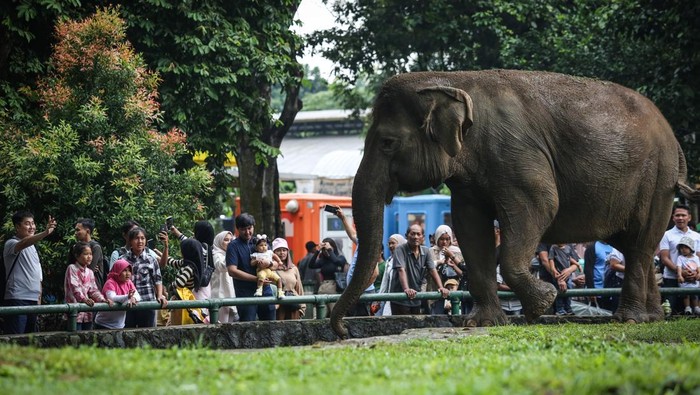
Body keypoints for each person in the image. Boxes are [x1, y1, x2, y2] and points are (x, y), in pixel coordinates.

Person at [2, 211, 56, 334]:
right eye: (27, 224)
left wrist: (39, 298)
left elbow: (38, 276)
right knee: (16, 339)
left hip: (33, 299)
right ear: (17, 227)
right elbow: (24, 242)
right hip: (17, 298)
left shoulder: (33, 247)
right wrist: (46, 232)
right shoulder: (11, 244)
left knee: (31, 339)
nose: (32, 227)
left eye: (33, 223)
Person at [389, 224, 449, 315]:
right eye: (412, 234)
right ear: (406, 236)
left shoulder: (425, 251)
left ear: (423, 237)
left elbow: (432, 270)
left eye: (418, 234)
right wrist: (407, 289)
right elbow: (401, 270)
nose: (415, 237)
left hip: (416, 297)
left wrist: (441, 287)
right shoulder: (400, 250)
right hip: (400, 298)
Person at [226, 213, 275, 321]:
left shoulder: (261, 242)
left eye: (250, 228)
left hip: (265, 290)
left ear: (253, 226)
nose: (247, 232)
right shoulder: (233, 246)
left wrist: (269, 264)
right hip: (245, 292)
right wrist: (256, 279)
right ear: (237, 229)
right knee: (247, 326)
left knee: (271, 324)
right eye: (243, 229)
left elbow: (276, 264)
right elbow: (232, 271)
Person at [334, 206, 378, 317]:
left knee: (362, 320)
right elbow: (352, 235)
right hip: (355, 292)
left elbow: (375, 273)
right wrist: (343, 218)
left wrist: (358, 290)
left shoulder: (370, 246)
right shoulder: (362, 242)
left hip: (363, 293)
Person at [122, 227, 168, 328]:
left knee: (148, 337)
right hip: (129, 304)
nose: (140, 241)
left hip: (148, 303)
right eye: (136, 238)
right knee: (129, 338)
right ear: (130, 241)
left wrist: (160, 295)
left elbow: (157, 279)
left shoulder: (151, 260)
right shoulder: (123, 260)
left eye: (143, 238)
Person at [659, 205, 700, 314]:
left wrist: (696, 273)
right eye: (677, 215)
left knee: (694, 312)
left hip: (693, 279)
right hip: (671, 278)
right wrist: (681, 272)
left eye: (683, 215)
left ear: (689, 217)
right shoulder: (666, 235)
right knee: (672, 311)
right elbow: (664, 258)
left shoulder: (697, 236)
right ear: (673, 218)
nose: (680, 218)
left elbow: (699, 256)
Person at [64, 242, 111, 330]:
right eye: (86, 254)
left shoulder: (90, 272)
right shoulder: (72, 268)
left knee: (88, 339)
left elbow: (93, 290)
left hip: (87, 312)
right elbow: (75, 288)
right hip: (75, 312)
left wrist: (103, 299)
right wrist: (84, 299)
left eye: (90, 254)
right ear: (77, 256)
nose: (89, 256)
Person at [94, 259, 140, 330]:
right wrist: (127, 297)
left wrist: (133, 298)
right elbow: (112, 298)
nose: (128, 273)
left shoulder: (129, 282)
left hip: (119, 325)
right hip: (103, 324)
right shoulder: (110, 282)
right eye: (124, 270)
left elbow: (137, 295)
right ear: (117, 271)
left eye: (129, 270)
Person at [308, 237, 347, 317]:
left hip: (335, 288)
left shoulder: (340, 258)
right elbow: (311, 265)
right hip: (323, 288)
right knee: (319, 315)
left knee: (335, 315)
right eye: (324, 249)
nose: (326, 251)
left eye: (328, 248)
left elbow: (337, 262)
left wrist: (330, 250)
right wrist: (318, 251)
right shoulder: (323, 260)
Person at [428, 225, 463, 314]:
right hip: (435, 290)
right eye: (441, 239)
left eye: (447, 239)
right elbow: (428, 268)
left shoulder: (456, 251)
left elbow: (462, 269)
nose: (444, 242)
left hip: (454, 290)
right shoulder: (431, 251)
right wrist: (439, 262)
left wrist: (451, 258)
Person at [273, 237, 305, 320]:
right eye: (278, 250)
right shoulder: (270, 269)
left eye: (284, 250)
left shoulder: (293, 268)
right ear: (273, 253)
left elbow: (299, 288)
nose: (282, 253)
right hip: (278, 306)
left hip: (293, 304)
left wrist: (302, 307)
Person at [70, 218, 106, 289]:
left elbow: (90, 270)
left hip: (93, 289)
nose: (75, 233)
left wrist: (82, 268)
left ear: (88, 231)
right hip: (76, 288)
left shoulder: (95, 247)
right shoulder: (74, 247)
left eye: (78, 230)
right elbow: (70, 268)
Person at [210, 230, 238, 323]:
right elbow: (221, 266)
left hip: (229, 293)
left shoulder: (227, 254)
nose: (229, 242)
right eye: (226, 240)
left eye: (231, 240)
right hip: (219, 293)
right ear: (219, 241)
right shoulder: (215, 254)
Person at [376, 234, 407, 316]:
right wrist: (378, 299)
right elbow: (385, 283)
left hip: (405, 300)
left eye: (393, 243)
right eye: (389, 244)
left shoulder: (407, 259)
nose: (391, 246)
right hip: (390, 299)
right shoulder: (389, 261)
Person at [548, 243, 582, 315]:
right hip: (559, 274)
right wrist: (553, 270)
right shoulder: (553, 248)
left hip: (568, 275)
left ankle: (568, 308)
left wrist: (577, 264)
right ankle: (560, 309)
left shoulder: (568, 248)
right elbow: (551, 260)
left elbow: (569, 258)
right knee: (560, 291)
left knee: (569, 290)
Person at [675, 236, 700, 315]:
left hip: (694, 279)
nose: (683, 249)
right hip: (685, 280)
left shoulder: (695, 258)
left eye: (686, 247)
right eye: (681, 248)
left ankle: (696, 307)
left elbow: (698, 267)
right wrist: (680, 276)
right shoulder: (680, 258)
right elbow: (678, 267)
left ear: (691, 248)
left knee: (694, 294)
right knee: (686, 294)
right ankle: (687, 307)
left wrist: (698, 274)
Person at [603, 247, 625, 312]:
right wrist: (632, 269)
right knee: (618, 306)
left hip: (639, 280)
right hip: (621, 280)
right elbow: (613, 264)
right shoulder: (619, 248)